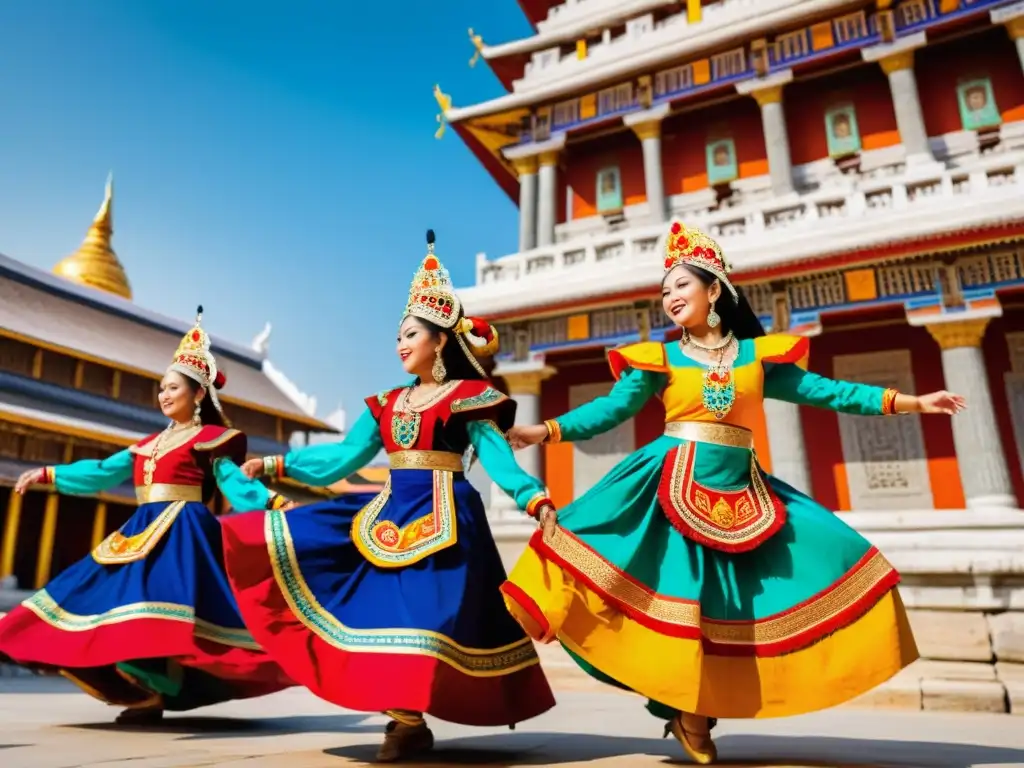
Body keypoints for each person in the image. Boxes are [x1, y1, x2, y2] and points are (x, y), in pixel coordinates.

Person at [501, 220, 966, 764]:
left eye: (682, 286)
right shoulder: (658, 360)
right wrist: (544, 430)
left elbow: (829, 392)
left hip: (742, 488)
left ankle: (693, 712)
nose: (671, 297)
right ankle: (687, 710)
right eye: (665, 291)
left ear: (714, 289)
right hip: (666, 484)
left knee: (770, 584)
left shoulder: (758, 358)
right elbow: (611, 410)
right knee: (679, 598)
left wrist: (913, 402)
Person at [218, 231, 556, 763]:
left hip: (449, 518)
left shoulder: (470, 398)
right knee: (382, 613)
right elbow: (343, 458)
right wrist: (275, 463)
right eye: (398, 335)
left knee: (429, 621)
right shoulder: (386, 402)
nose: (401, 344)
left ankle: (409, 718)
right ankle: (406, 720)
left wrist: (532, 497)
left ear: (440, 340)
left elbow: (495, 457)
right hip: (391, 510)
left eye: (411, 334)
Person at [0, 308, 293, 724]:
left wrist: (276, 505)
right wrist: (48, 473)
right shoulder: (145, 446)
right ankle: (139, 691)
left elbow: (234, 484)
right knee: (87, 596)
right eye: (160, 388)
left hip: (184, 537)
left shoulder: (212, 440)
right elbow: (103, 472)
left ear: (197, 395)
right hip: (139, 533)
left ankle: (155, 690)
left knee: (160, 615)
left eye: (173, 388)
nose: (163, 395)